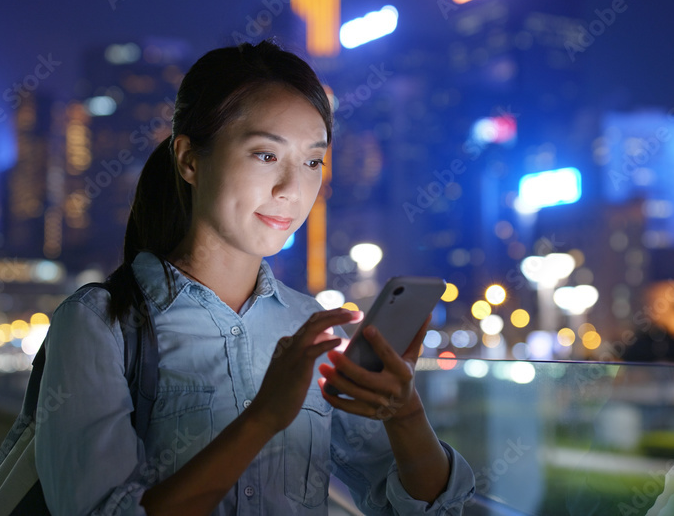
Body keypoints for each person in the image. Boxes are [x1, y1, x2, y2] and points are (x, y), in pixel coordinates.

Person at [35, 40, 475, 515]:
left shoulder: (314, 326)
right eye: (266, 155)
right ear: (189, 159)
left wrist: (404, 410)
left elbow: (422, 506)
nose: (292, 189)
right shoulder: (100, 323)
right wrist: (263, 417)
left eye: (312, 162)